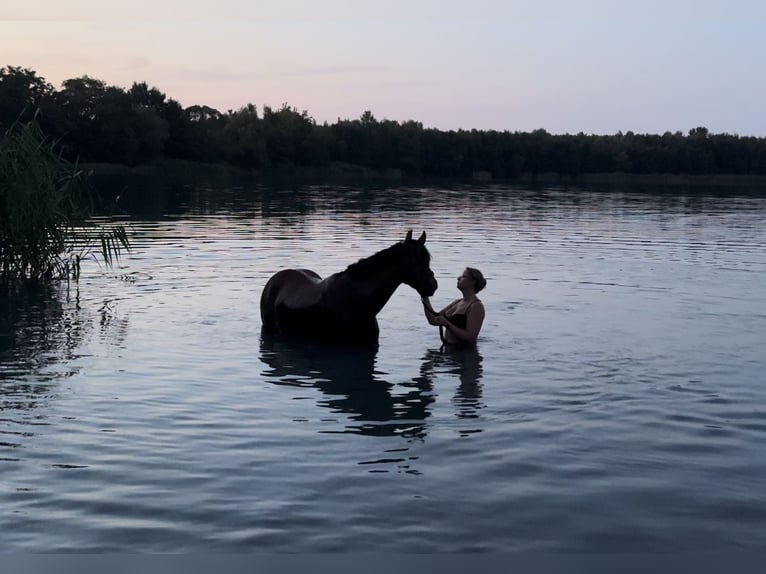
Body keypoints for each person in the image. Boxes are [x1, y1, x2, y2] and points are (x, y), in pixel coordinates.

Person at [421, 267, 486, 345]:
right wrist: (424, 296)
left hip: (464, 353)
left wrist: (447, 324)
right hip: (448, 350)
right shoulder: (457, 302)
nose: (458, 278)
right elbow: (433, 320)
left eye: (463, 277)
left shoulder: (476, 306)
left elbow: (470, 337)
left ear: (473, 282)